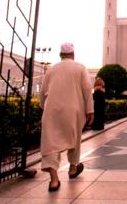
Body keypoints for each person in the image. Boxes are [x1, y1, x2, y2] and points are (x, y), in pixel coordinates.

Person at [39, 42, 93, 192]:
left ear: (60, 55)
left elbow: (42, 93)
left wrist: (44, 108)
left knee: (50, 142)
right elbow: (87, 89)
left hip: (52, 110)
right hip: (73, 110)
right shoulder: (80, 67)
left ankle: (54, 180)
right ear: (73, 54)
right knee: (74, 138)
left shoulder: (51, 69)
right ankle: (73, 168)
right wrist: (90, 110)